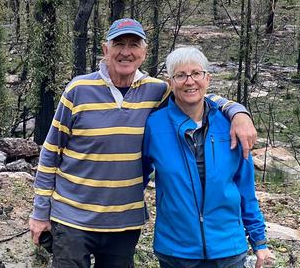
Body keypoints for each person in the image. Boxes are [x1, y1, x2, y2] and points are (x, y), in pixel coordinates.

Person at [29, 19, 257, 268]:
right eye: (119, 44)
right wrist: (40, 213)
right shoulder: (78, 89)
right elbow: (50, 154)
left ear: (143, 53)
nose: (126, 51)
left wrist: (237, 112)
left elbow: (194, 92)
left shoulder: (156, 91)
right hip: (72, 217)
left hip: (124, 223)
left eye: (133, 44)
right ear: (106, 50)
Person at [142, 47, 273, 268]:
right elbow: (138, 177)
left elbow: (245, 189)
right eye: (181, 75)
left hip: (227, 248)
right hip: (176, 249)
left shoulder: (231, 125)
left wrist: (259, 241)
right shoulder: (154, 125)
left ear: (207, 78)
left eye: (196, 73)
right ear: (170, 82)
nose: (189, 81)